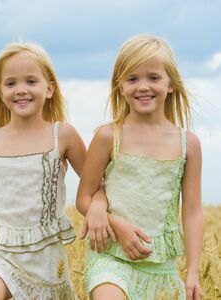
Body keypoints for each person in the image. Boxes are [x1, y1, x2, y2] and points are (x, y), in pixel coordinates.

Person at [0, 42, 104, 299]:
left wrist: (97, 207)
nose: (21, 90)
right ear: (0, 92)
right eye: (10, 83)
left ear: (49, 88)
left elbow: (96, 184)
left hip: (44, 258)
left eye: (31, 81)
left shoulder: (62, 136)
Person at [76, 34, 204, 300]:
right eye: (132, 79)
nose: (143, 86)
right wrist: (112, 222)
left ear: (171, 85)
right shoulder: (108, 136)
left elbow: (192, 211)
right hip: (111, 259)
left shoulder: (187, 145)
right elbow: (84, 197)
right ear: (120, 87)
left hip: (161, 269)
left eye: (153, 78)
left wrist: (192, 272)